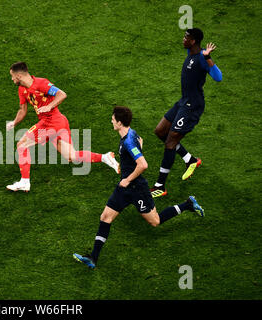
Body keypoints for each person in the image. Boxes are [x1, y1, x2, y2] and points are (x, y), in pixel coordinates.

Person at [73, 106, 204, 269]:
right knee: (105, 217)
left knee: (155, 221)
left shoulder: (128, 140)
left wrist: (127, 179)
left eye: (113, 119)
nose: (111, 121)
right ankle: (93, 258)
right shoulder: (131, 134)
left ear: (120, 123)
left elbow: (143, 165)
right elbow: (140, 141)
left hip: (136, 188)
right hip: (124, 188)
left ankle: (188, 205)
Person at [6, 62, 119, 192]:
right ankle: (105, 158)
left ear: (19, 75)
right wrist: (14, 122)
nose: (12, 79)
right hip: (56, 122)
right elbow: (22, 110)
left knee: (21, 145)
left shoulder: (42, 83)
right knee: (72, 156)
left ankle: (25, 182)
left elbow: (62, 94)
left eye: (12, 76)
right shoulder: (22, 89)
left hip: (52, 122)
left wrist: (49, 106)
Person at [150, 28, 222, 198]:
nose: (183, 39)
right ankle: (190, 160)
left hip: (193, 106)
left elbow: (218, 77)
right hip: (183, 101)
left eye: (186, 38)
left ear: (193, 41)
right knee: (160, 131)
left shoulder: (202, 58)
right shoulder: (191, 53)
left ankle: (160, 185)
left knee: (170, 141)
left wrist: (208, 57)